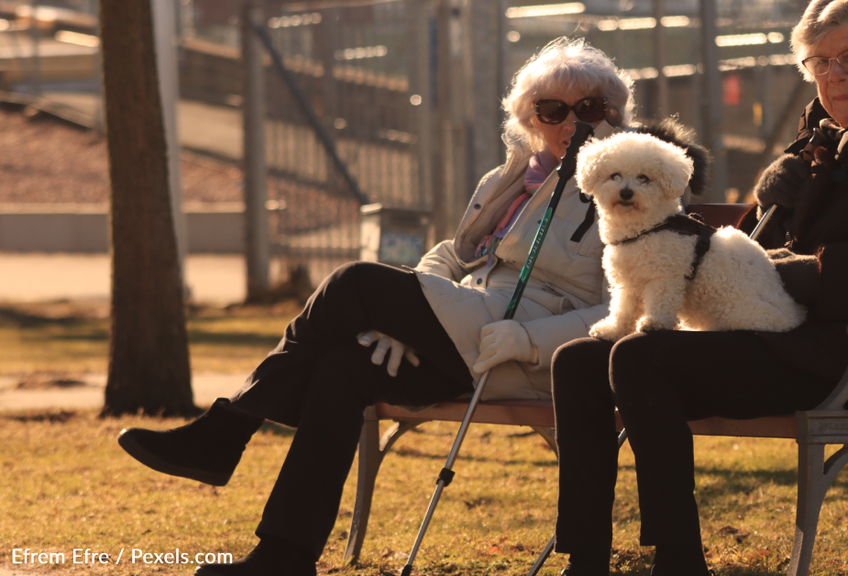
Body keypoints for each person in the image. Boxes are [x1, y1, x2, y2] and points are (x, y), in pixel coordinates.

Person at [116, 37, 635, 576]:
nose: (570, 122)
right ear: (530, 118)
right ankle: (283, 557)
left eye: (589, 109)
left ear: (613, 115)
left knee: (354, 283)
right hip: (465, 326)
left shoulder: (626, 187)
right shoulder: (507, 179)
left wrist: (523, 339)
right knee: (344, 366)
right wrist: (402, 320)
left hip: (522, 354)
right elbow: (452, 257)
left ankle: (226, 432)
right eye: (553, 110)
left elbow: (623, 311)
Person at [550, 1, 848, 575]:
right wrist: (770, 203)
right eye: (818, 61)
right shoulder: (828, 137)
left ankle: (679, 559)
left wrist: (819, 272)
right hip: (781, 335)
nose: (833, 74)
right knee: (578, 362)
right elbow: (743, 261)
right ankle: (586, 559)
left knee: (643, 357)